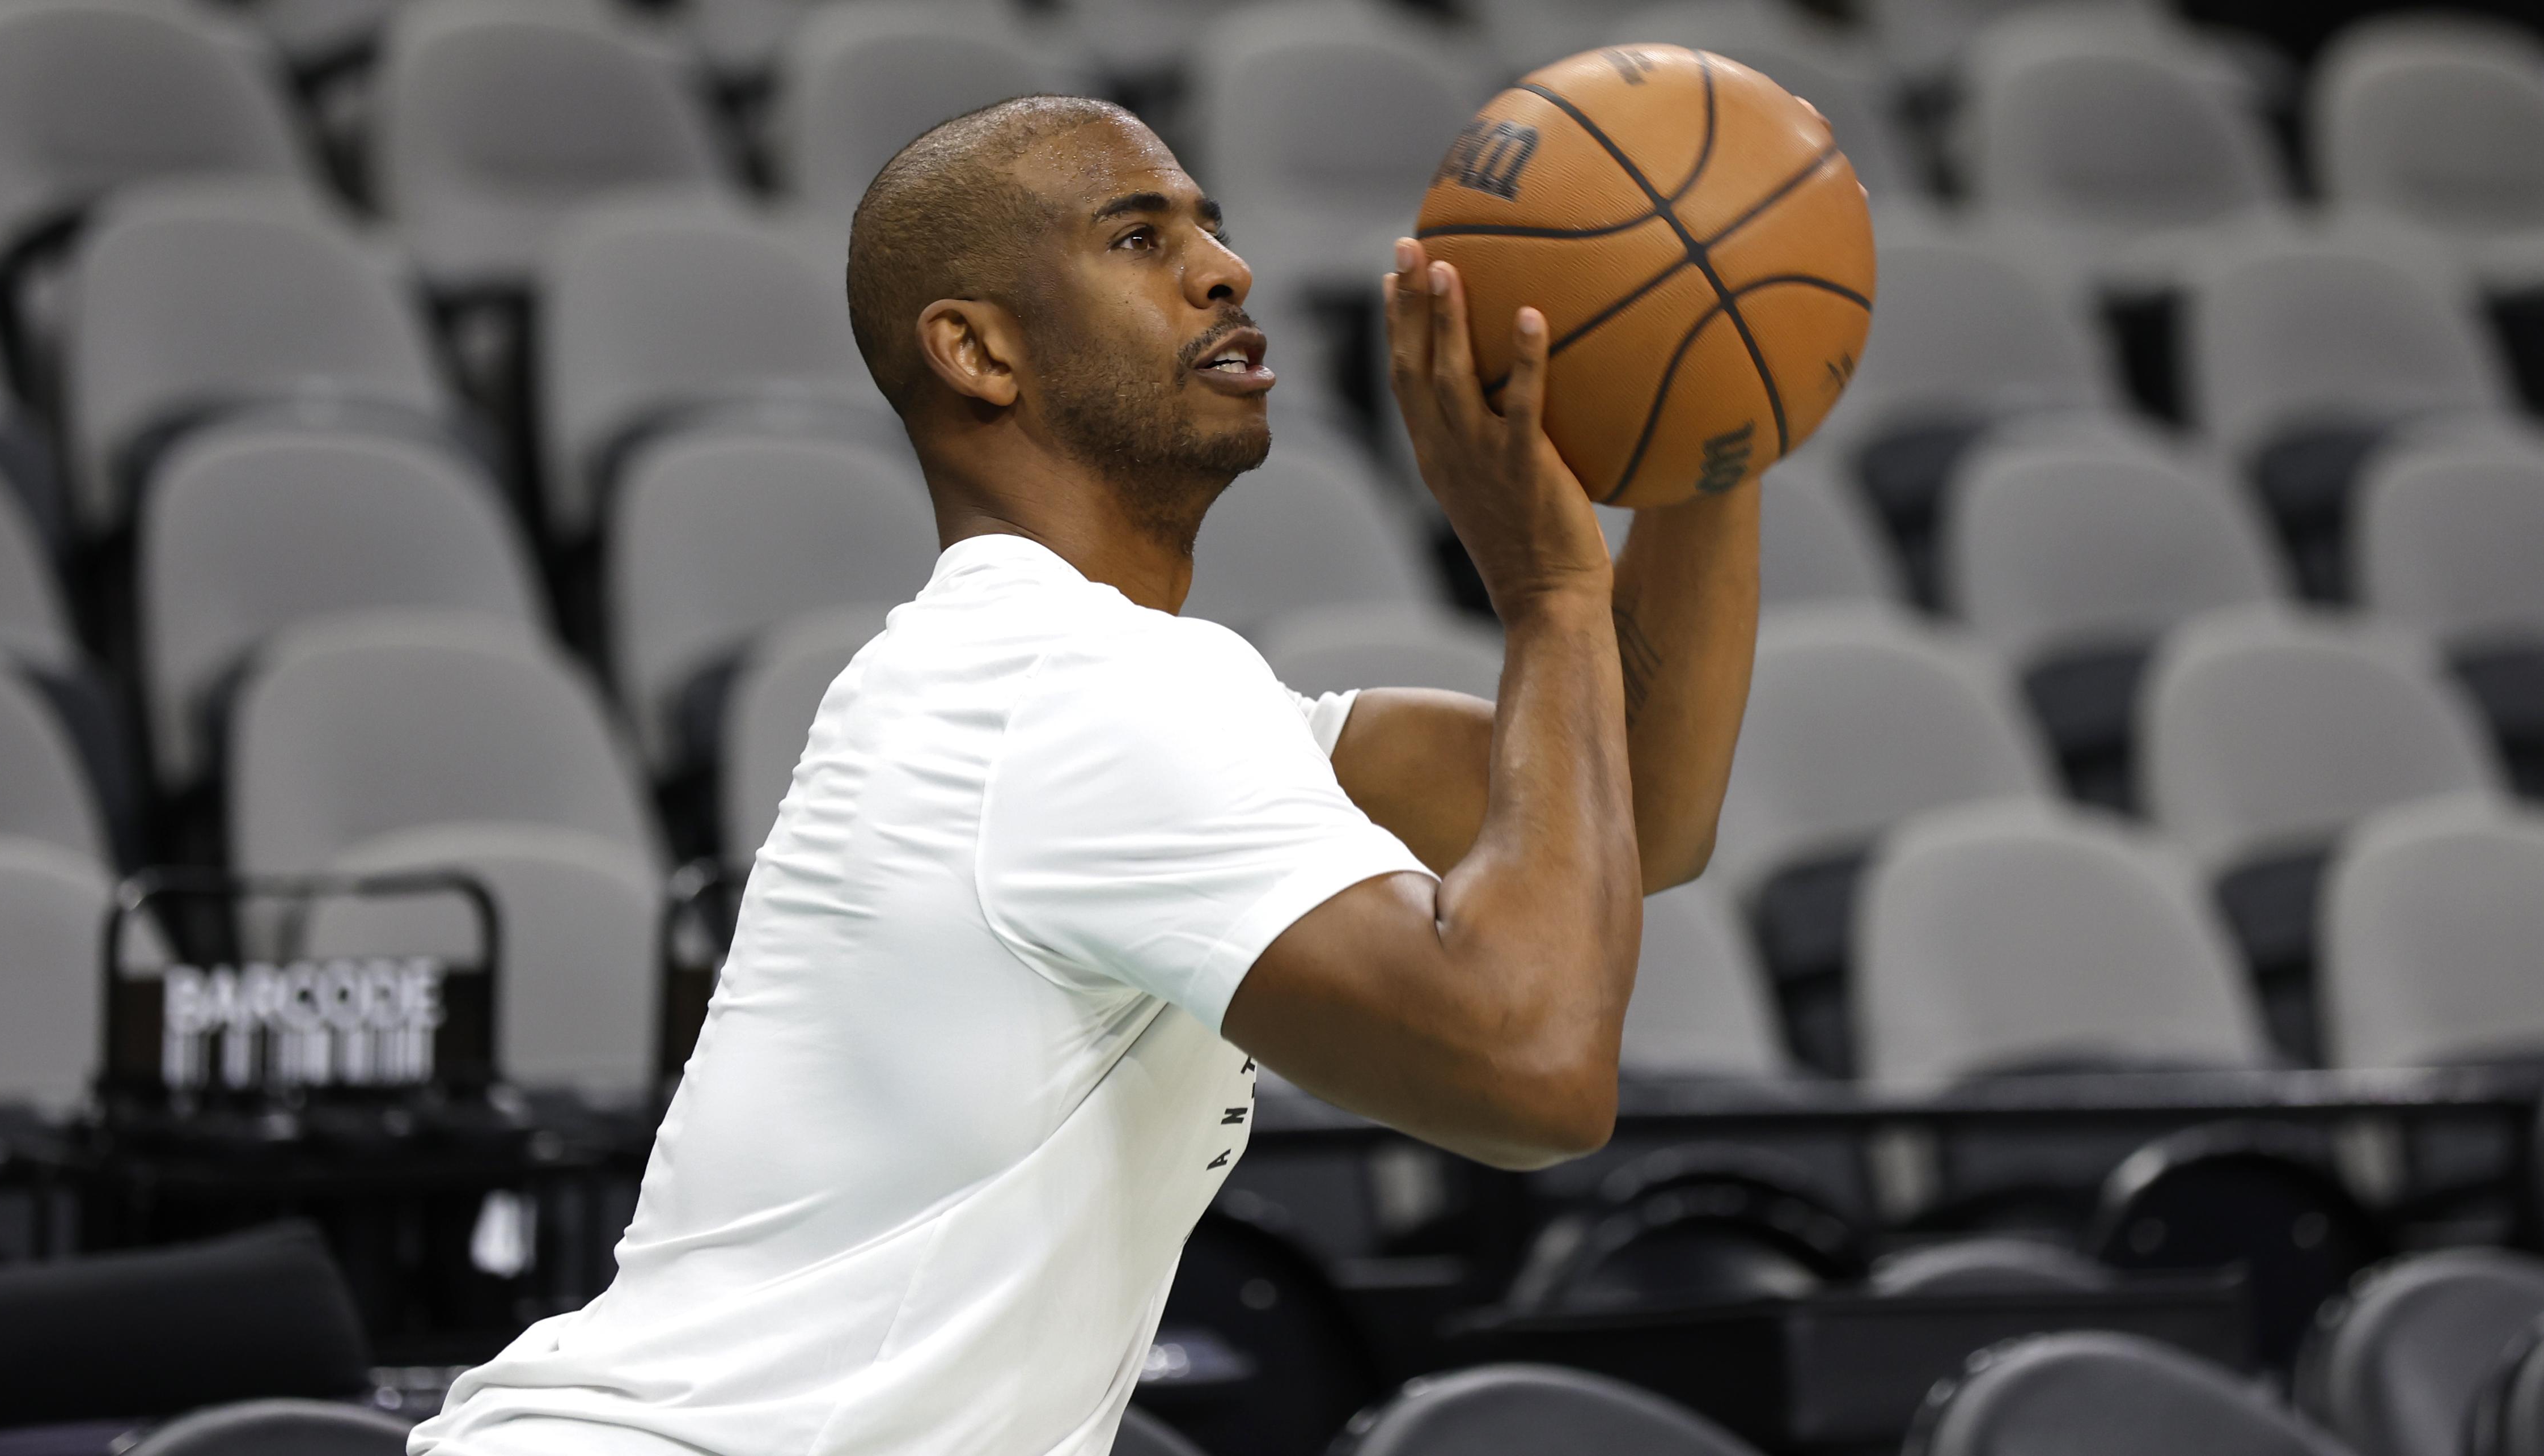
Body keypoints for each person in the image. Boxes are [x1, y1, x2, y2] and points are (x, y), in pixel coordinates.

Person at [410, 94, 1757, 1456]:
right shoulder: (1069, 696)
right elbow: (1532, 1071)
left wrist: (1716, 414)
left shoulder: (1083, 689)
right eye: (1134, 235)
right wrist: (1544, 589)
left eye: (1213, 229)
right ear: (978, 351)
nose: (1222, 270)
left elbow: (1633, 807)